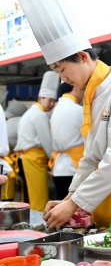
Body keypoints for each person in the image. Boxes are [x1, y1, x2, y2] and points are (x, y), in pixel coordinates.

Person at [18, 0, 111, 232]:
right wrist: (69, 198)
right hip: (105, 199)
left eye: (62, 69)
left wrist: (74, 203)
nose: (63, 79)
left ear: (83, 56)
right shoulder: (94, 93)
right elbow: (91, 156)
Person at [14, 71, 59, 211]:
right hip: (35, 159)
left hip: (27, 158)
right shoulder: (39, 115)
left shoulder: (30, 113)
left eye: (53, 101)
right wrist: (53, 160)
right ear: (40, 98)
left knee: (32, 194)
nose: (51, 104)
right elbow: (47, 142)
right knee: (39, 196)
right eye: (49, 100)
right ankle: (39, 220)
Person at [49, 82, 84, 200]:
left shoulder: (56, 110)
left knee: (61, 203)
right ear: (75, 88)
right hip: (74, 167)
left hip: (58, 168)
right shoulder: (79, 110)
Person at [3, 101, 26, 200]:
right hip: (8, 157)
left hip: (5, 157)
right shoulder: (20, 121)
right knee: (8, 184)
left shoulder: (8, 122)